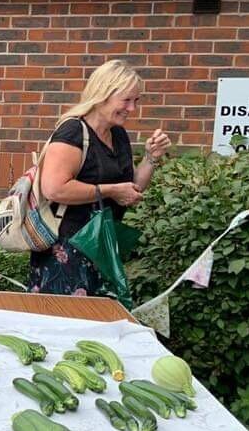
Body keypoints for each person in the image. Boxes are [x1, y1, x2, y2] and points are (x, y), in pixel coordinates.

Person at [33, 59, 171, 296]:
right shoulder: (73, 131)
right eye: (126, 100)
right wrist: (110, 191)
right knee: (64, 323)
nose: (132, 109)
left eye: (136, 101)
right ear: (103, 95)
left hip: (102, 244)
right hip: (68, 247)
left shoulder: (117, 134)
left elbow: (131, 188)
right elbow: (54, 189)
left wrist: (150, 158)